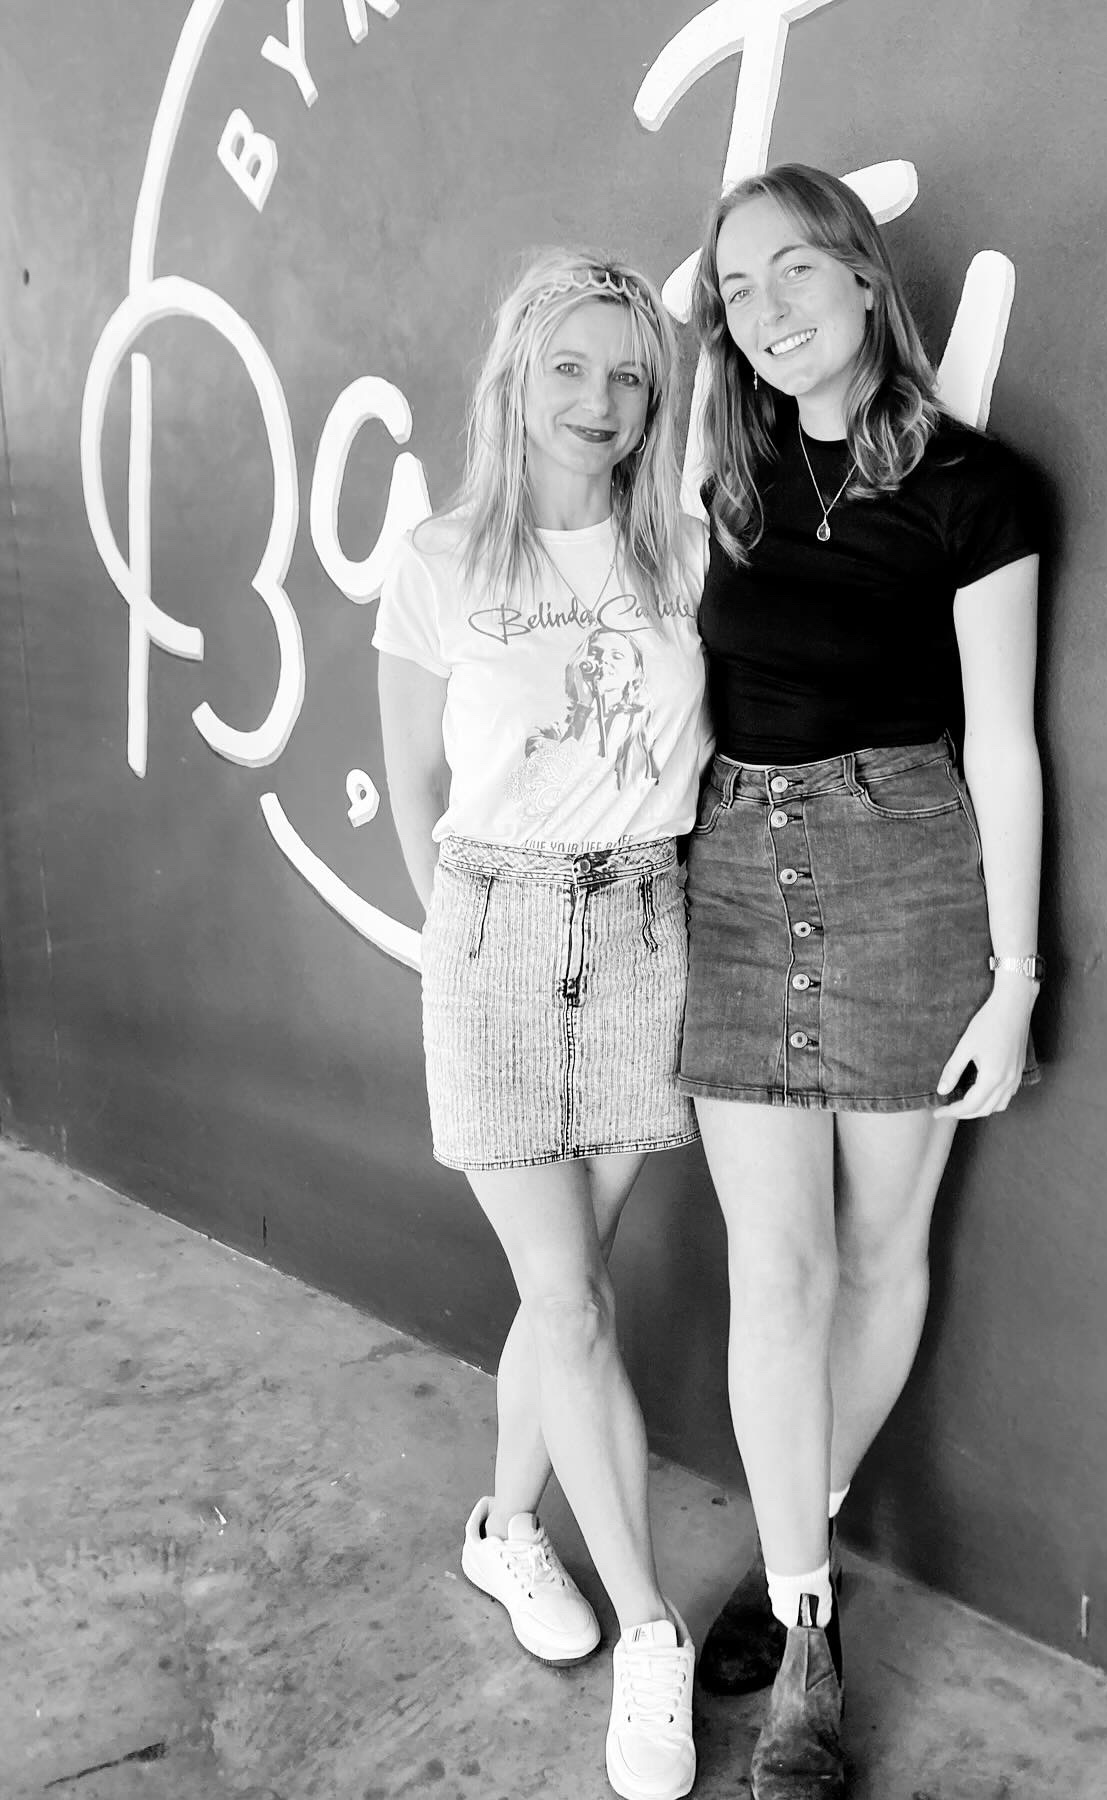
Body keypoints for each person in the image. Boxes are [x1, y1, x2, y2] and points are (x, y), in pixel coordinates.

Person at [678, 165, 1044, 1798]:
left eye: (792, 270)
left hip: (908, 870)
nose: (765, 309)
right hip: (737, 874)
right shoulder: (724, 476)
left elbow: (1005, 744)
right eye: (735, 288)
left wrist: (1015, 977)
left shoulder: (976, 488)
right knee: (780, 1270)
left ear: (862, 274)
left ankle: (789, 1549)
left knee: (885, 1254)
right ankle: (810, 1637)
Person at [374, 248, 710, 1800]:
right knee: (569, 1301)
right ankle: (652, 1629)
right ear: (515, 376)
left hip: (645, 931)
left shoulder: (685, 554)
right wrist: (471, 947)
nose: (600, 399)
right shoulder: (440, 559)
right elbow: (416, 794)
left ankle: (506, 1528)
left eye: (630, 375)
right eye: (570, 367)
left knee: (563, 1291)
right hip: (496, 933)